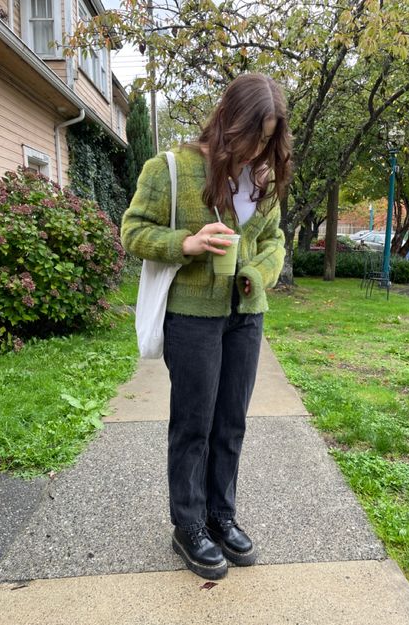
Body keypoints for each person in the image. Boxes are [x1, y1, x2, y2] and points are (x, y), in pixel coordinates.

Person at [121, 73, 292, 580]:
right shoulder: (170, 168)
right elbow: (132, 230)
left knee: (232, 422)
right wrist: (188, 244)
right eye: (250, 136)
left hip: (245, 317)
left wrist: (256, 275)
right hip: (191, 319)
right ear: (227, 120)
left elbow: (274, 242)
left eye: (266, 139)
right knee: (193, 424)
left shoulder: (261, 180)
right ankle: (188, 525)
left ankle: (222, 515)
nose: (256, 149)